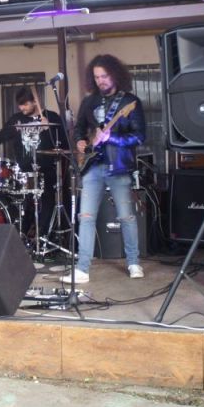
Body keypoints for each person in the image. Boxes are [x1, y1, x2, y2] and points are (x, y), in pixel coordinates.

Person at [62, 54, 146, 284]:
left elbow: (140, 136)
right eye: (97, 77)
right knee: (86, 217)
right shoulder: (89, 101)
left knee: (126, 217)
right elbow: (80, 128)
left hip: (118, 167)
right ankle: (82, 269)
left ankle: (133, 262)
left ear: (115, 75)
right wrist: (80, 141)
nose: (101, 80)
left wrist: (112, 138)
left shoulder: (130, 102)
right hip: (92, 166)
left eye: (105, 76)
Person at [0, 86, 66, 239]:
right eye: (20, 105)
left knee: (47, 202)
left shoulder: (52, 117)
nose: (22, 108)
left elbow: (64, 145)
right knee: (24, 206)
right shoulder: (16, 120)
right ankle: (23, 238)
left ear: (35, 101)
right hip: (24, 173)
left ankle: (42, 239)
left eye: (25, 104)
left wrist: (49, 129)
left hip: (47, 171)